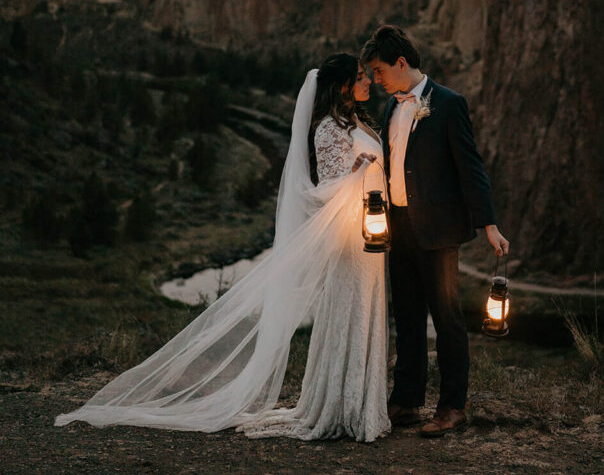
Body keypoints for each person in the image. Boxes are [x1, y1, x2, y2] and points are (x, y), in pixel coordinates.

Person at [55, 54, 391, 443]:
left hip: (371, 234)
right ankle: (340, 407)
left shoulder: (357, 122)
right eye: (362, 77)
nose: (368, 82)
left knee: (366, 312)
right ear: (344, 85)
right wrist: (357, 172)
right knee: (350, 312)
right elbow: (322, 194)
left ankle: (364, 403)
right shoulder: (329, 130)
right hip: (349, 241)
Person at [361, 24, 509, 438]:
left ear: (401, 63)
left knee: (446, 320)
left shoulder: (448, 103)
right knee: (406, 318)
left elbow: (470, 167)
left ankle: (451, 407)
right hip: (398, 227)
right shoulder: (391, 107)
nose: (375, 79)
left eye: (378, 70)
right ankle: (407, 401)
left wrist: (489, 224)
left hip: (439, 230)